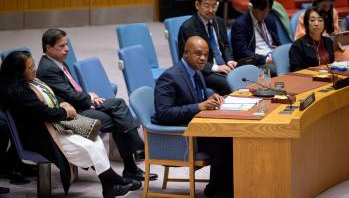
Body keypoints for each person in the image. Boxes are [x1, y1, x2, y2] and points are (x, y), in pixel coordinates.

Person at [0, 51, 143, 198]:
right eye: (30, 67)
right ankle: (113, 183)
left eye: (33, 65)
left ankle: (111, 183)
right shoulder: (20, 93)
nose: (34, 69)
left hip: (52, 126)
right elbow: (44, 112)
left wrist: (61, 105)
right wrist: (64, 112)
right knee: (88, 145)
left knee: (94, 139)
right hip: (41, 136)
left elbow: (48, 102)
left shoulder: (30, 82)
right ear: (18, 72)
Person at [36, 29, 158, 182]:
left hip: (78, 105)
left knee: (118, 104)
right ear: (48, 48)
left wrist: (89, 96)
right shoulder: (48, 69)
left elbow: (70, 91)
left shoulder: (57, 62)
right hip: (71, 115)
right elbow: (70, 95)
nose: (67, 49)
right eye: (61, 46)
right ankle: (133, 161)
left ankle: (135, 156)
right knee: (117, 117)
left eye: (66, 44)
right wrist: (89, 97)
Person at [153, 36, 233, 197]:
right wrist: (198, 106)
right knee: (226, 144)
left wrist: (209, 100)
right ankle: (219, 192)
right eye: (198, 54)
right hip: (182, 136)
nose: (203, 58)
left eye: (205, 54)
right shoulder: (170, 77)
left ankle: (217, 188)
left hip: (198, 127)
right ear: (185, 53)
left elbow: (195, 100)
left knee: (233, 137)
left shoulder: (196, 71)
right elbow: (163, 112)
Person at [178, 0, 237, 95]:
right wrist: (216, 68)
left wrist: (229, 60)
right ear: (197, 5)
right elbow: (189, 60)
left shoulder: (219, 22)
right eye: (207, 6)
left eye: (214, 6)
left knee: (245, 75)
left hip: (223, 66)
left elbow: (225, 45)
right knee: (230, 83)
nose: (211, 10)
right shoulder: (188, 27)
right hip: (201, 71)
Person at [231, 0, 280, 75]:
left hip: (273, 56)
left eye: (267, 11)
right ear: (252, 7)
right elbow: (241, 52)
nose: (265, 15)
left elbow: (276, 42)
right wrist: (264, 59)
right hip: (257, 62)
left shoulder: (270, 19)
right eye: (262, 12)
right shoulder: (240, 24)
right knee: (275, 69)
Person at [289, 6, 334, 71]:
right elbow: (294, 70)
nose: (316, 24)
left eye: (320, 20)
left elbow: (332, 63)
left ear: (325, 23)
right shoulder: (298, 45)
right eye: (312, 20)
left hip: (329, 77)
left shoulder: (328, 41)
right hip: (308, 79)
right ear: (307, 23)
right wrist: (311, 70)